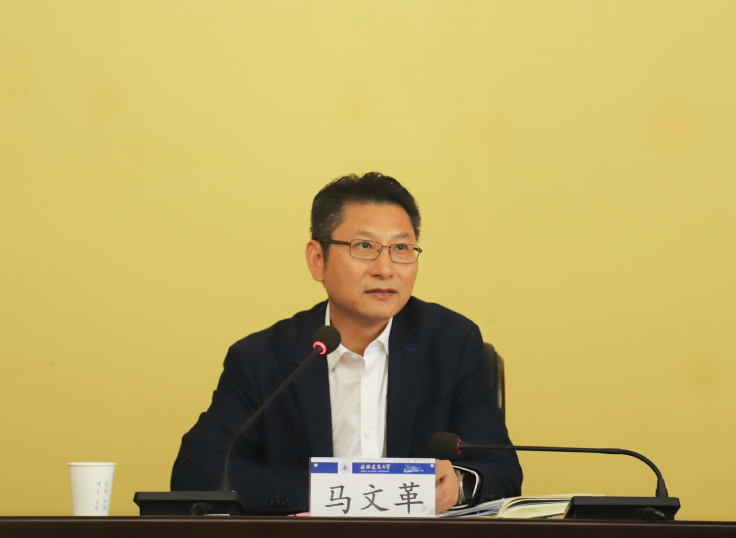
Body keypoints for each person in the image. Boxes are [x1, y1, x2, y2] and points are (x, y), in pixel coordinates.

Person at [171, 172, 522, 514]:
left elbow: (502, 471)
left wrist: (458, 485)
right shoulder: (262, 358)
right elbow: (198, 470)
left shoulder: (452, 344)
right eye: (364, 246)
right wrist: (330, 494)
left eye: (401, 248)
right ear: (317, 260)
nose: (385, 268)